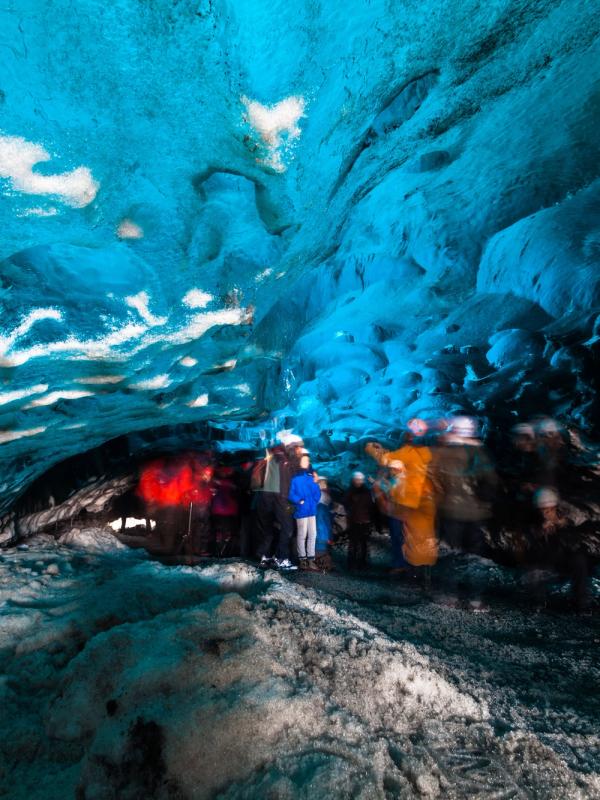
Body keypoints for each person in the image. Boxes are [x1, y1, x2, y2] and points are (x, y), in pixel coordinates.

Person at [366, 418, 438, 570]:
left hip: (403, 502)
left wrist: (371, 448)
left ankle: (404, 563)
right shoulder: (425, 454)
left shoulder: (407, 454)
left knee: (400, 534)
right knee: (415, 534)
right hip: (420, 500)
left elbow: (386, 459)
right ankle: (419, 563)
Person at [430, 416, 497, 555]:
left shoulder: (442, 453)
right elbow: (492, 480)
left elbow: (431, 473)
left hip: (451, 510)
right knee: (476, 551)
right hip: (477, 511)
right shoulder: (481, 453)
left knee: (452, 550)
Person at [252, 444, 297, 571]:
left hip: (264, 497)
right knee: (287, 528)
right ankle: (281, 558)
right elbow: (292, 481)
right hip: (282, 499)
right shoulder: (286, 461)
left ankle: (265, 556)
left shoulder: (265, 459)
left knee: (267, 528)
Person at [288, 453, 321, 570]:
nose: (306, 462)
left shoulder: (311, 477)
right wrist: (299, 501)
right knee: (302, 535)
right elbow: (291, 493)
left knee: (312, 534)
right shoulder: (295, 478)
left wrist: (314, 501)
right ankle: (302, 559)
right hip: (301, 510)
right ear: (300, 462)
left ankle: (311, 559)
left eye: (307, 460)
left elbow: (317, 492)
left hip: (311, 510)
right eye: (304, 460)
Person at [343, 471, 375, 570]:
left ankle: (360, 563)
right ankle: (354, 563)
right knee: (356, 543)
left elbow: (371, 506)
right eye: (357, 480)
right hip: (356, 521)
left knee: (361, 543)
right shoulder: (354, 491)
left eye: (360, 480)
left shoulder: (362, 492)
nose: (358, 482)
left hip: (362, 521)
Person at [315, 476, 334, 571]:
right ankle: (322, 567)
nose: (324, 485)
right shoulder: (321, 507)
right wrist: (328, 537)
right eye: (322, 483)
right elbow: (322, 524)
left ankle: (321, 566)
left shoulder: (323, 505)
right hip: (321, 537)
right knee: (321, 552)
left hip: (321, 536)